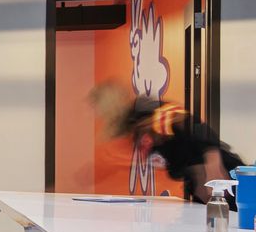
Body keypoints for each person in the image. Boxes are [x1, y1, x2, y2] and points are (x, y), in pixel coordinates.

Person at [90, 81, 243, 204]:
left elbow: (192, 124)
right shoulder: (134, 127)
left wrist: (213, 163)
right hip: (200, 184)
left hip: (222, 174)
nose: (99, 114)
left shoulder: (144, 109)